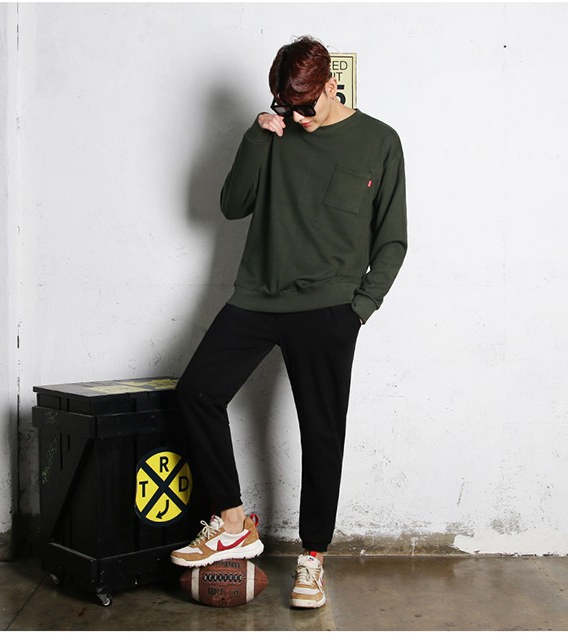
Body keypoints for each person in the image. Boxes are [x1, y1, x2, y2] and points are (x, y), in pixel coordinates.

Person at [171, 35, 407, 609]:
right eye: (285, 106)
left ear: (330, 85)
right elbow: (231, 206)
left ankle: (313, 558)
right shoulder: (271, 134)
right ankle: (232, 522)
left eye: (305, 106)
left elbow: (393, 240)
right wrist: (258, 134)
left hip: (329, 310)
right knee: (196, 392)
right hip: (257, 299)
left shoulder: (379, 141)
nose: (296, 117)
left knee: (321, 434)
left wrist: (359, 309)